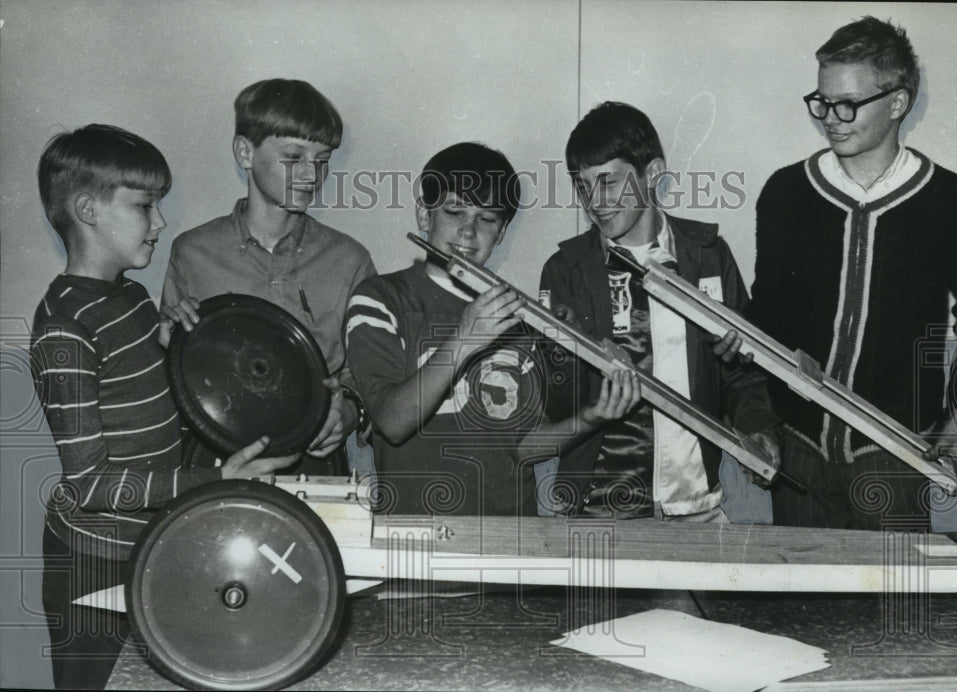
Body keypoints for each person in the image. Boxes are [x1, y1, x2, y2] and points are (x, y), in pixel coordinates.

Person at [31, 124, 297, 689]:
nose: (161, 222)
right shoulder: (64, 328)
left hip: (152, 543)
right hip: (92, 561)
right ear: (87, 209)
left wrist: (175, 343)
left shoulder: (128, 295)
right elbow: (89, 484)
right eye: (145, 205)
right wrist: (210, 480)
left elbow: (144, 399)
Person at [741, 17, 957, 529]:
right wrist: (756, 407)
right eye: (821, 101)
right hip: (798, 450)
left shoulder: (950, 202)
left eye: (847, 104)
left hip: (895, 456)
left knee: (891, 607)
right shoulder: (786, 192)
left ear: (897, 103)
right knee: (803, 607)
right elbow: (767, 311)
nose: (830, 119)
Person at [344, 142, 639, 516]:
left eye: (487, 219)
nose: (468, 232)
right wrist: (466, 338)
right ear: (424, 215)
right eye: (454, 211)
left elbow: (522, 446)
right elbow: (391, 421)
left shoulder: (517, 313)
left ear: (501, 234)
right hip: (415, 534)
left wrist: (594, 417)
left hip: (511, 537)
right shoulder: (381, 297)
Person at [539, 102, 781, 522]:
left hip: (698, 505)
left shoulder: (707, 256)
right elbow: (553, 402)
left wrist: (759, 431)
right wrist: (572, 359)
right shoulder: (566, 271)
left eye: (609, 183)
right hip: (598, 511)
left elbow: (744, 374)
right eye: (583, 186)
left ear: (652, 175)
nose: (595, 202)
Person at [161, 78, 375, 475]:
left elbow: (366, 376)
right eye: (294, 157)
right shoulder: (193, 252)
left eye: (323, 159)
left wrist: (348, 411)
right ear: (245, 152)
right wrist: (168, 337)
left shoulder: (349, 259)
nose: (312, 174)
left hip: (314, 463)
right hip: (216, 459)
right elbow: (173, 373)